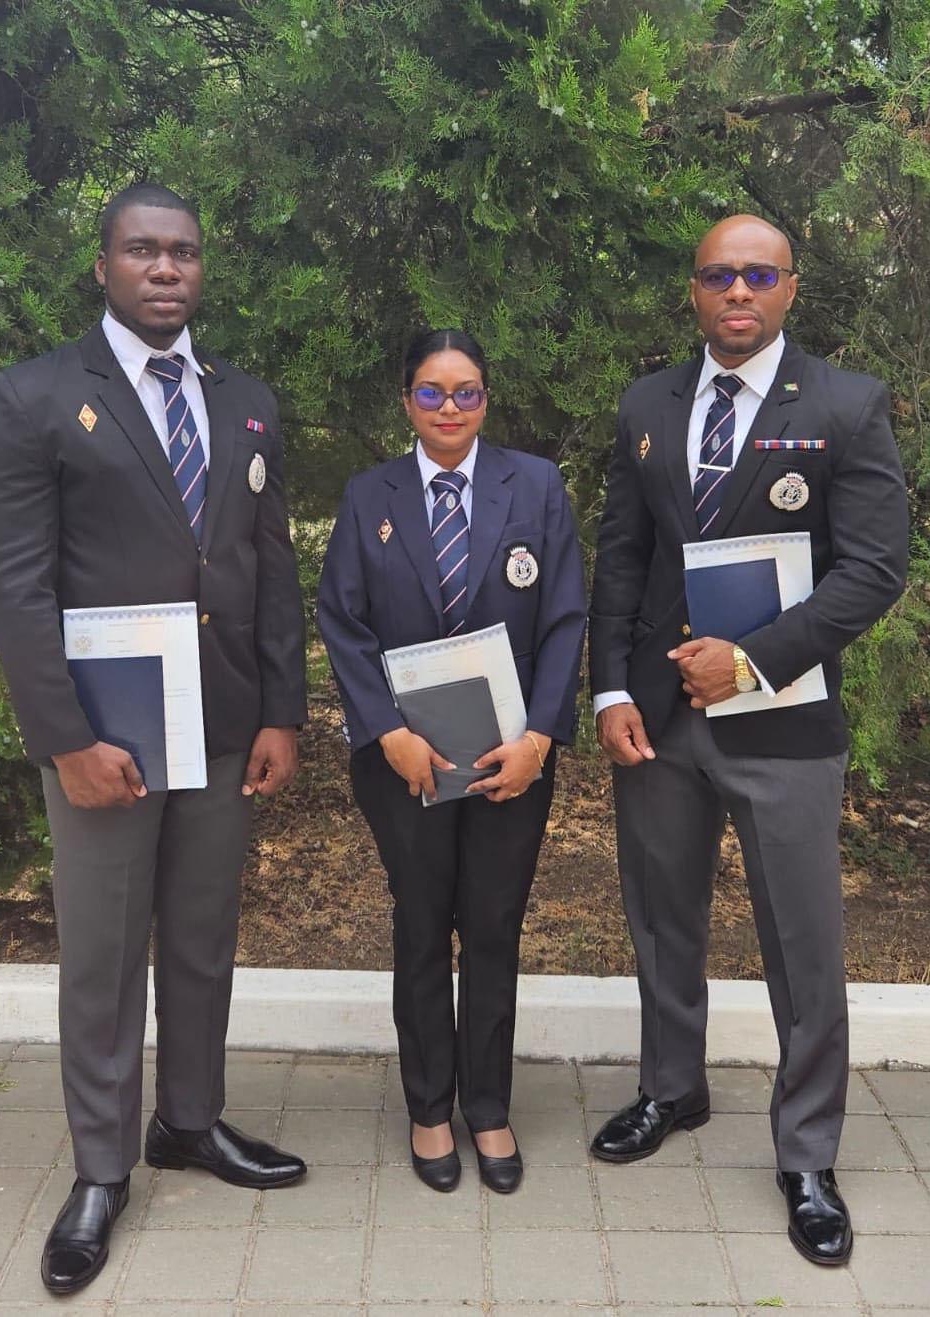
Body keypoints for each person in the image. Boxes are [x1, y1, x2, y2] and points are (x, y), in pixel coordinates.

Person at [0, 182, 308, 1295]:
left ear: (202, 271)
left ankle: (191, 1124)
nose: (167, 271)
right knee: (107, 958)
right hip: (106, 740)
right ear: (104, 265)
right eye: (143, 251)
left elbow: (268, 568)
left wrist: (281, 710)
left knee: (204, 937)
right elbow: (16, 590)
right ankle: (104, 1170)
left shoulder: (246, 400)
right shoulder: (33, 399)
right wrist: (63, 738)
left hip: (217, 725)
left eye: (185, 255)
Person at [587, 215, 909, 1265]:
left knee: (802, 948)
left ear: (789, 289)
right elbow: (623, 564)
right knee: (661, 922)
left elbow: (873, 571)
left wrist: (758, 660)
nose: (737, 292)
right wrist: (606, 694)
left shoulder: (845, 406)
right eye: (719, 276)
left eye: (756, 275)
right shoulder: (647, 405)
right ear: (694, 290)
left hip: (786, 722)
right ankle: (671, 1091)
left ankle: (807, 1153)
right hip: (662, 720)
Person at [317, 329, 586, 1194]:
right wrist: (385, 731)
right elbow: (342, 619)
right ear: (407, 401)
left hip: (512, 755)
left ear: (486, 399)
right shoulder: (370, 495)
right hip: (408, 763)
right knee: (423, 925)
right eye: (430, 392)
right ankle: (429, 1107)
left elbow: (566, 619)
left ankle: (490, 1106)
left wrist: (541, 736)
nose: (448, 408)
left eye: (465, 391)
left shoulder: (535, 487)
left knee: (496, 927)